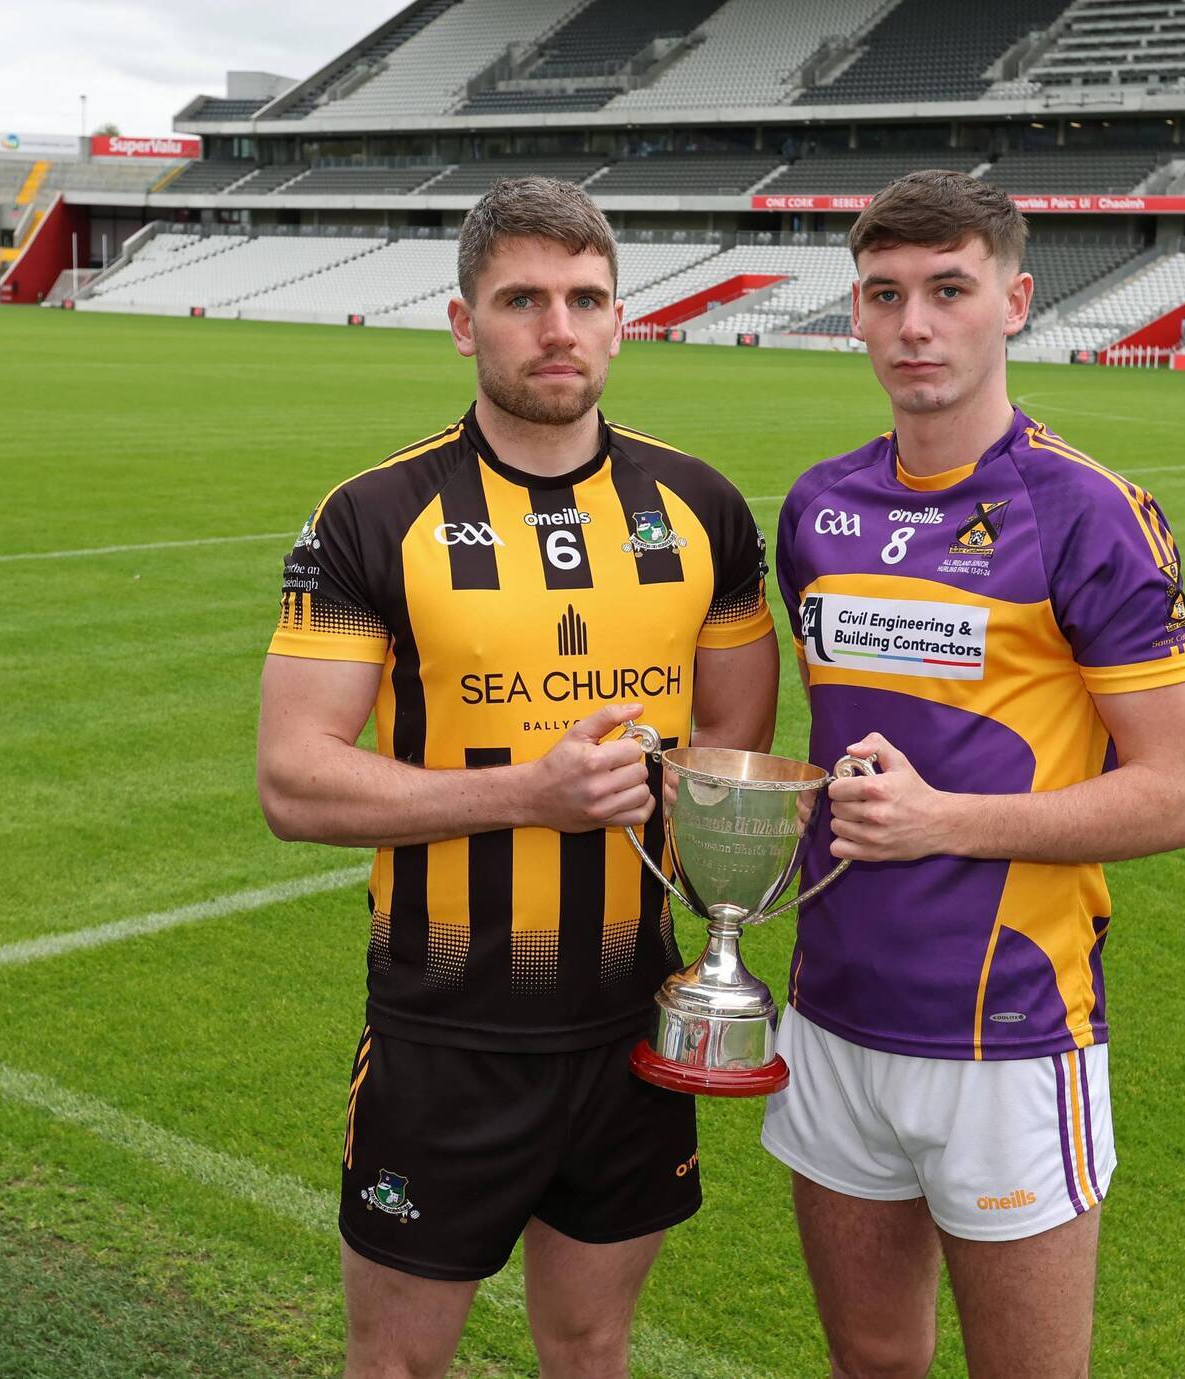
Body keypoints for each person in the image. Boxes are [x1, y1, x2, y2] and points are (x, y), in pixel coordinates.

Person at [256, 177, 779, 1379]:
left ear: (620, 321)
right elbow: (293, 780)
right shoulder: (373, 515)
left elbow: (732, 754)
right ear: (462, 322)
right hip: (445, 1030)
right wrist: (524, 795)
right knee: (397, 1360)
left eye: (585, 298)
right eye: (521, 299)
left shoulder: (701, 508)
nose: (557, 327)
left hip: (633, 1023)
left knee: (589, 1346)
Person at [763, 169, 1185, 1378]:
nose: (913, 324)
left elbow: (1172, 794)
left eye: (947, 290)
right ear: (854, 312)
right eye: (885, 293)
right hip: (830, 1014)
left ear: (1012, 302)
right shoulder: (816, 507)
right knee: (871, 1362)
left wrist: (940, 820)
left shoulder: (1088, 512)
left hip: (1006, 1030)